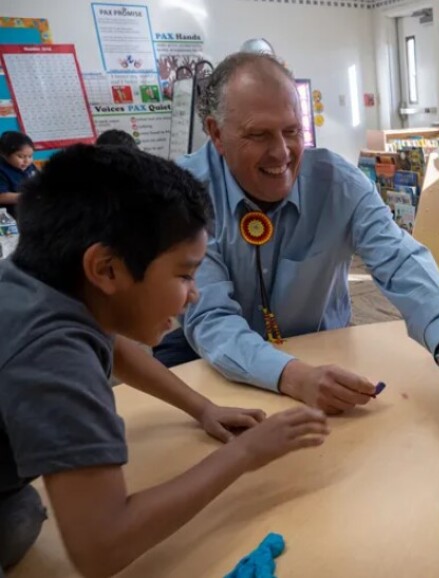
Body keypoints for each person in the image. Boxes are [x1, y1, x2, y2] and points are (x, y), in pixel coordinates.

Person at [158, 52, 439, 447]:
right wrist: (292, 375)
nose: (282, 153)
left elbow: (402, 262)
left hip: (324, 359)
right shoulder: (185, 193)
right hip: (221, 369)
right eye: (258, 135)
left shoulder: (337, 182)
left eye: (291, 131)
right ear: (216, 134)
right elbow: (211, 318)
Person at [0, 145, 329, 577]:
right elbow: (101, 548)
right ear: (107, 269)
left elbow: (111, 347)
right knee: (22, 524)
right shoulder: (53, 357)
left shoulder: (36, 283)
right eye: (184, 274)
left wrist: (202, 406)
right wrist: (246, 453)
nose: (193, 294)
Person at [0, 131, 38, 218]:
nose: (27, 161)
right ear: (4, 154)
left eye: (30, 156)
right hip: (10, 217)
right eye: (20, 156)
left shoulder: (29, 166)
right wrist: (29, 196)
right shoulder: (2, 170)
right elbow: (1, 196)